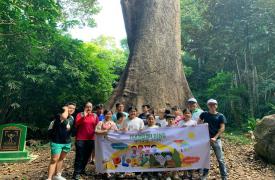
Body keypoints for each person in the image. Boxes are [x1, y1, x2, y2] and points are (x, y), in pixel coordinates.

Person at [198, 99, 228, 180]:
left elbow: (222, 128)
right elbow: (199, 122)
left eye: (214, 104)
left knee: (220, 159)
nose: (212, 106)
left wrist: (215, 137)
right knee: (205, 158)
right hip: (205, 140)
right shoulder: (204, 114)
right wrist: (202, 125)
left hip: (216, 140)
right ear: (208, 105)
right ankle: (204, 175)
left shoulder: (220, 116)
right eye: (210, 104)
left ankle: (224, 177)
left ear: (216, 105)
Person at [47, 102, 76, 180]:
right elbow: (64, 116)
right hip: (57, 142)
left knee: (61, 159)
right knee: (54, 160)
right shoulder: (59, 115)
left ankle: (57, 175)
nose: (72, 110)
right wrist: (66, 109)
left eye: (73, 108)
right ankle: (49, 178)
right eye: (70, 108)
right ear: (66, 108)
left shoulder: (72, 118)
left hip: (67, 142)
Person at [73, 102, 99, 180]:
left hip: (91, 139)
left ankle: (82, 170)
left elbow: (97, 126)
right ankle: (76, 173)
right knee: (79, 156)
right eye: (87, 107)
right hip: (80, 139)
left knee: (87, 157)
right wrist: (84, 116)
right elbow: (77, 123)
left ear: (92, 108)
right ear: (84, 107)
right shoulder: (80, 115)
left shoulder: (94, 115)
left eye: (90, 107)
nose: (88, 108)